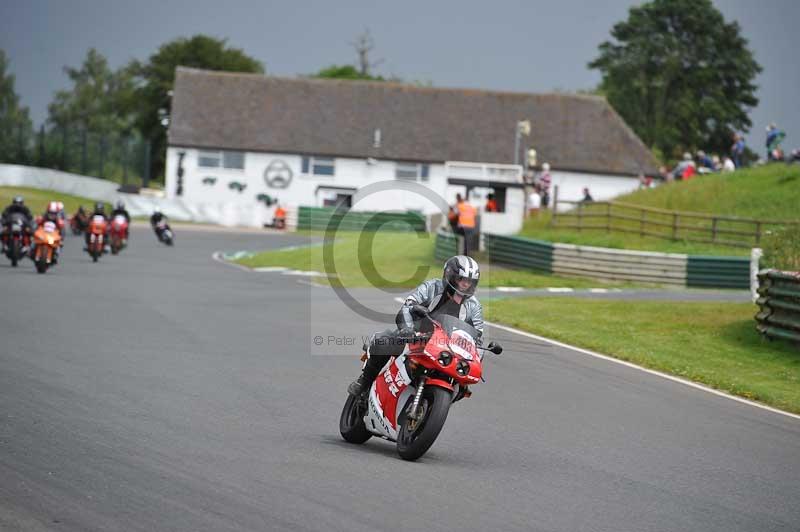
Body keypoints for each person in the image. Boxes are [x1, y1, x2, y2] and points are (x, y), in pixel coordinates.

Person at [347, 255, 483, 397]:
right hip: (416, 337)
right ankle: (364, 382)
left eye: (469, 282)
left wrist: (473, 362)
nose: (465, 285)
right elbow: (408, 306)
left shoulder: (474, 306)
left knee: (461, 388)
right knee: (383, 341)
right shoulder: (432, 287)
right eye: (461, 279)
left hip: (446, 349)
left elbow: (476, 339)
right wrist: (407, 329)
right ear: (449, 275)